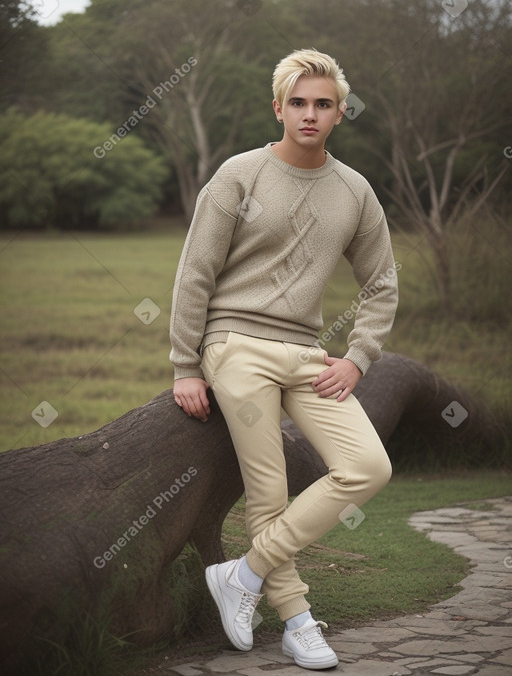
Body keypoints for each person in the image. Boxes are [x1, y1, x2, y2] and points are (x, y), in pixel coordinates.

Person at [169, 48, 398, 670]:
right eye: (298, 102)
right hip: (234, 346)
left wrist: (357, 357)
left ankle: (240, 576)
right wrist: (185, 365)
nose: (310, 113)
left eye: (323, 104)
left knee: (367, 468)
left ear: (340, 112)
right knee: (268, 491)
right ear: (278, 108)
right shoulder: (239, 175)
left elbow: (382, 283)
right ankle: (298, 621)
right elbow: (196, 272)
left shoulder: (354, 191)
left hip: (307, 352)